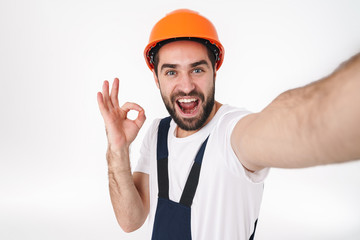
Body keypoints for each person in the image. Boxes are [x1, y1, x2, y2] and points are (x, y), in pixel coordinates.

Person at [97, 9, 360, 240]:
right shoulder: (156, 133)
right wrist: (117, 148)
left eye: (197, 69)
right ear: (156, 78)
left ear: (215, 69)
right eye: (171, 72)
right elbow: (130, 221)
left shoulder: (231, 133)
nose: (186, 85)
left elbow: (299, 123)